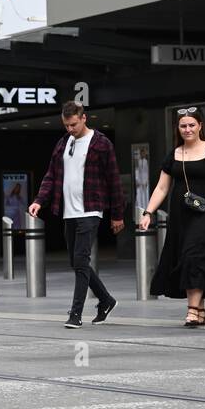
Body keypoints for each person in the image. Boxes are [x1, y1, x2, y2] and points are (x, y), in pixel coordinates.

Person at [28, 100, 124, 328]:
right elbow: (51, 175)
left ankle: (76, 314)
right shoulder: (63, 143)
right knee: (76, 261)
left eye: (73, 124)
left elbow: (114, 180)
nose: (70, 129)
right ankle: (106, 300)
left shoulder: (101, 143)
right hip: (68, 212)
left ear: (83, 118)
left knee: (81, 260)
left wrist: (118, 214)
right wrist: (38, 200)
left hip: (91, 209)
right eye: (66, 125)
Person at [137, 108, 205, 325]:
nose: (187, 129)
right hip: (181, 215)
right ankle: (200, 310)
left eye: (192, 125)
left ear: (201, 126)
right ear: (178, 128)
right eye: (183, 126)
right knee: (188, 258)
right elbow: (162, 188)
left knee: (196, 255)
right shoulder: (173, 154)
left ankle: (192, 310)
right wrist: (148, 212)